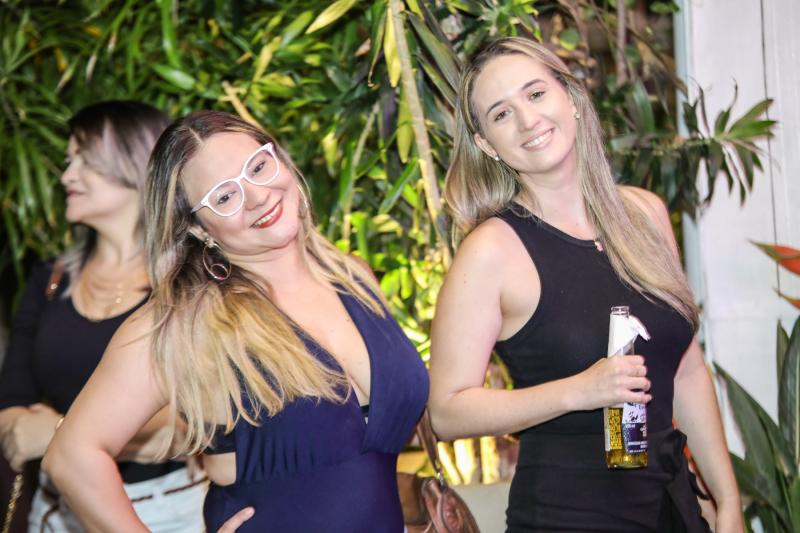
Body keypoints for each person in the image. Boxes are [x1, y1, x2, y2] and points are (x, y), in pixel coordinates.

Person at [42, 110, 429, 532]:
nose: (258, 196)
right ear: (198, 229)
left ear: (280, 159)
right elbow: (72, 455)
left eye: (258, 167)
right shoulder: (187, 321)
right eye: (224, 197)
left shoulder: (355, 278)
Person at [428, 37, 742, 532]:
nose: (528, 119)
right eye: (501, 114)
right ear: (487, 144)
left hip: (671, 507)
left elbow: (685, 370)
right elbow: (446, 412)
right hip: (567, 516)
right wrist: (578, 391)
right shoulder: (492, 250)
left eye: (535, 94)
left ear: (570, 98)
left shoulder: (645, 214)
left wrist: (728, 503)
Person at [0, 101, 207, 532]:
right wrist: (85, 439)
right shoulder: (50, 280)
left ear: (136, 164)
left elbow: (192, 426)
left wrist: (56, 432)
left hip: (169, 513)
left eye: (84, 161)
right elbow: (12, 412)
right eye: (68, 161)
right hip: (55, 513)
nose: (66, 176)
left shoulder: (191, 283)